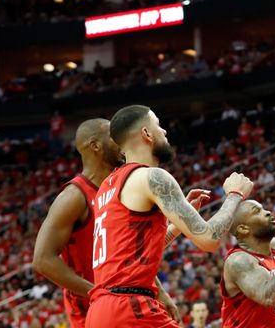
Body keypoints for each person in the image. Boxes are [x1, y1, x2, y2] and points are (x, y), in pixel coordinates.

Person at [85, 105, 254, 327]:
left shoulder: (106, 188)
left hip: (99, 312)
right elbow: (209, 239)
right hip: (129, 308)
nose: (164, 131)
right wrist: (234, 194)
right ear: (146, 133)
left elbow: (133, 252)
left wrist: (177, 225)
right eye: (158, 125)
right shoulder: (152, 177)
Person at [33, 119, 124, 327]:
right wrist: (97, 292)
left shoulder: (118, 187)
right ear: (95, 146)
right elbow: (42, 259)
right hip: (90, 310)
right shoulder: (75, 196)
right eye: (115, 137)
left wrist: (160, 291)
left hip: (123, 302)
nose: (122, 142)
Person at [221, 172, 275, 327]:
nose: (267, 212)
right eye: (258, 212)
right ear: (243, 228)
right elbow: (271, 297)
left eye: (263, 209)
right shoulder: (238, 261)